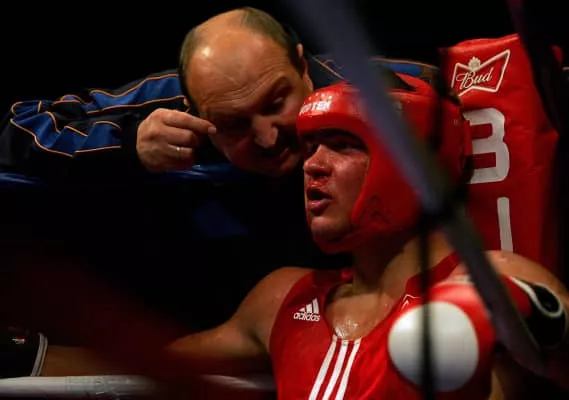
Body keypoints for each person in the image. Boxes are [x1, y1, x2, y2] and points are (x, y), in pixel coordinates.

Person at [6, 76, 569, 399]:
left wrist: (522, 320)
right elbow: (152, 363)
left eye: (342, 145)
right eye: (311, 146)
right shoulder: (285, 298)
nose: (312, 166)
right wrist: (29, 354)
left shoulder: (493, 282)